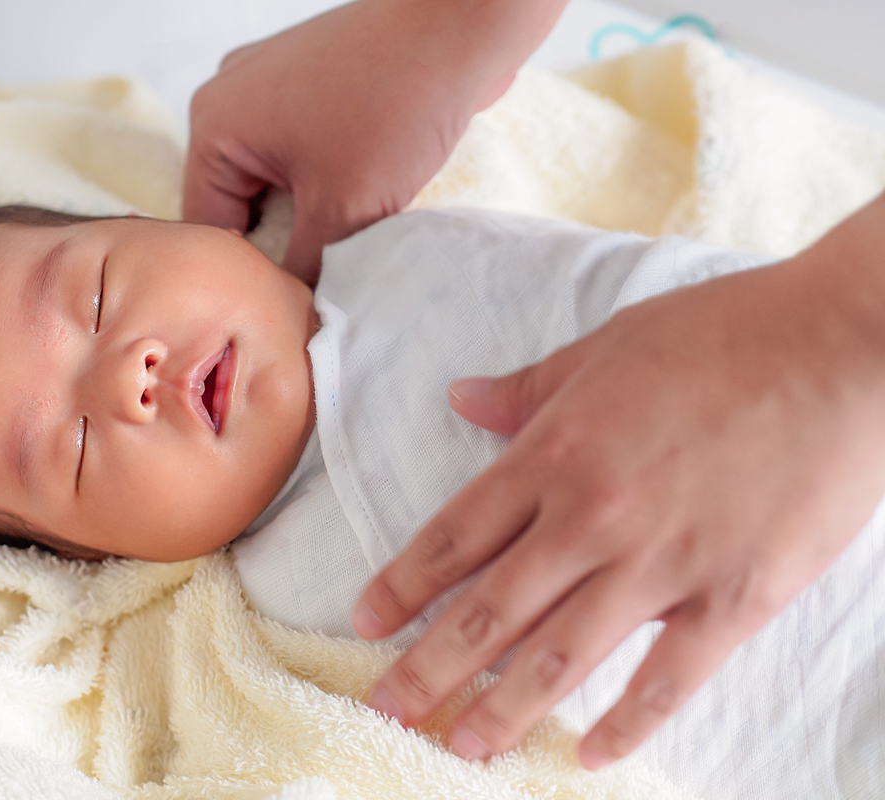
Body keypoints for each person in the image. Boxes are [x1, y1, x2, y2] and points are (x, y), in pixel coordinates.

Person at [183, 0, 885, 775]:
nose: (129, 378)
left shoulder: (417, 266)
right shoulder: (254, 650)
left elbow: (632, 289)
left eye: (94, 296)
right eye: (69, 446)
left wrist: (830, 333)